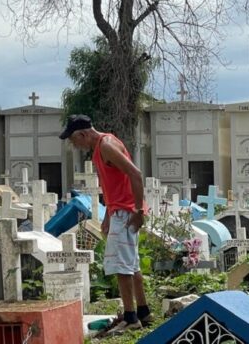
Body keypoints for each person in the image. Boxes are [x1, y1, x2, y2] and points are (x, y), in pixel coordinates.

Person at [59, 114, 152, 336]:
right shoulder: (103, 146)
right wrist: (109, 214)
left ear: (82, 134)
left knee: (121, 267)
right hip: (120, 211)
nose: (75, 146)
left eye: (74, 141)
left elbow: (135, 174)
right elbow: (115, 184)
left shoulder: (107, 146)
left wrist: (139, 211)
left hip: (127, 212)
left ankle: (130, 318)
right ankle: (143, 311)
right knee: (132, 264)